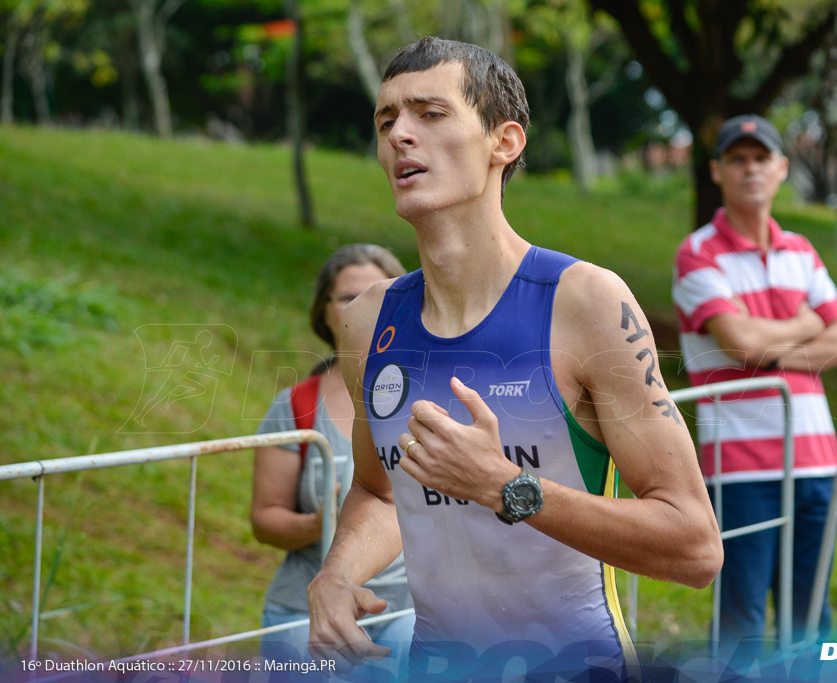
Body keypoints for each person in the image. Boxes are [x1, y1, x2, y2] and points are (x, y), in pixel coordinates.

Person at [306, 36, 722, 681]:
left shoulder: (585, 303)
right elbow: (379, 491)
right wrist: (336, 576)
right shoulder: (367, 321)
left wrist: (507, 488)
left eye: (430, 113)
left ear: (505, 141)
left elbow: (694, 547)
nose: (400, 137)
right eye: (386, 121)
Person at [672, 114, 837, 663]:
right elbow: (738, 343)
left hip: (816, 459)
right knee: (743, 621)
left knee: (812, 616)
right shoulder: (698, 252)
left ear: (781, 169)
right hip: (741, 465)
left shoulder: (801, 249)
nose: (750, 168)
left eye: (761, 158)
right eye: (737, 158)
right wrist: (805, 327)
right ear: (717, 171)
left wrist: (767, 348)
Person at [251, 244, 415, 676]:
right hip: (304, 613)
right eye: (347, 298)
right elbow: (264, 518)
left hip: (415, 611)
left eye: (378, 295)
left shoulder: (439, 395)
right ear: (324, 312)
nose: (364, 308)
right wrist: (320, 523)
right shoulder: (296, 405)